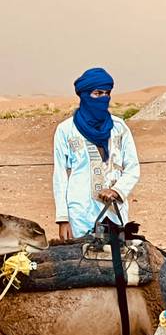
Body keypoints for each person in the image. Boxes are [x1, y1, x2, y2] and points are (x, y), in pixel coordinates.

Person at [53, 67, 140, 240]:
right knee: (83, 261)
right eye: (97, 93)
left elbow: (133, 167)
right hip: (80, 212)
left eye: (107, 93)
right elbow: (60, 175)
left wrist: (117, 190)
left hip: (115, 212)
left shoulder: (119, 128)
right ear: (84, 95)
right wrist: (63, 219)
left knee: (117, 260)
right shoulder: (66, 130)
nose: (103, 98)